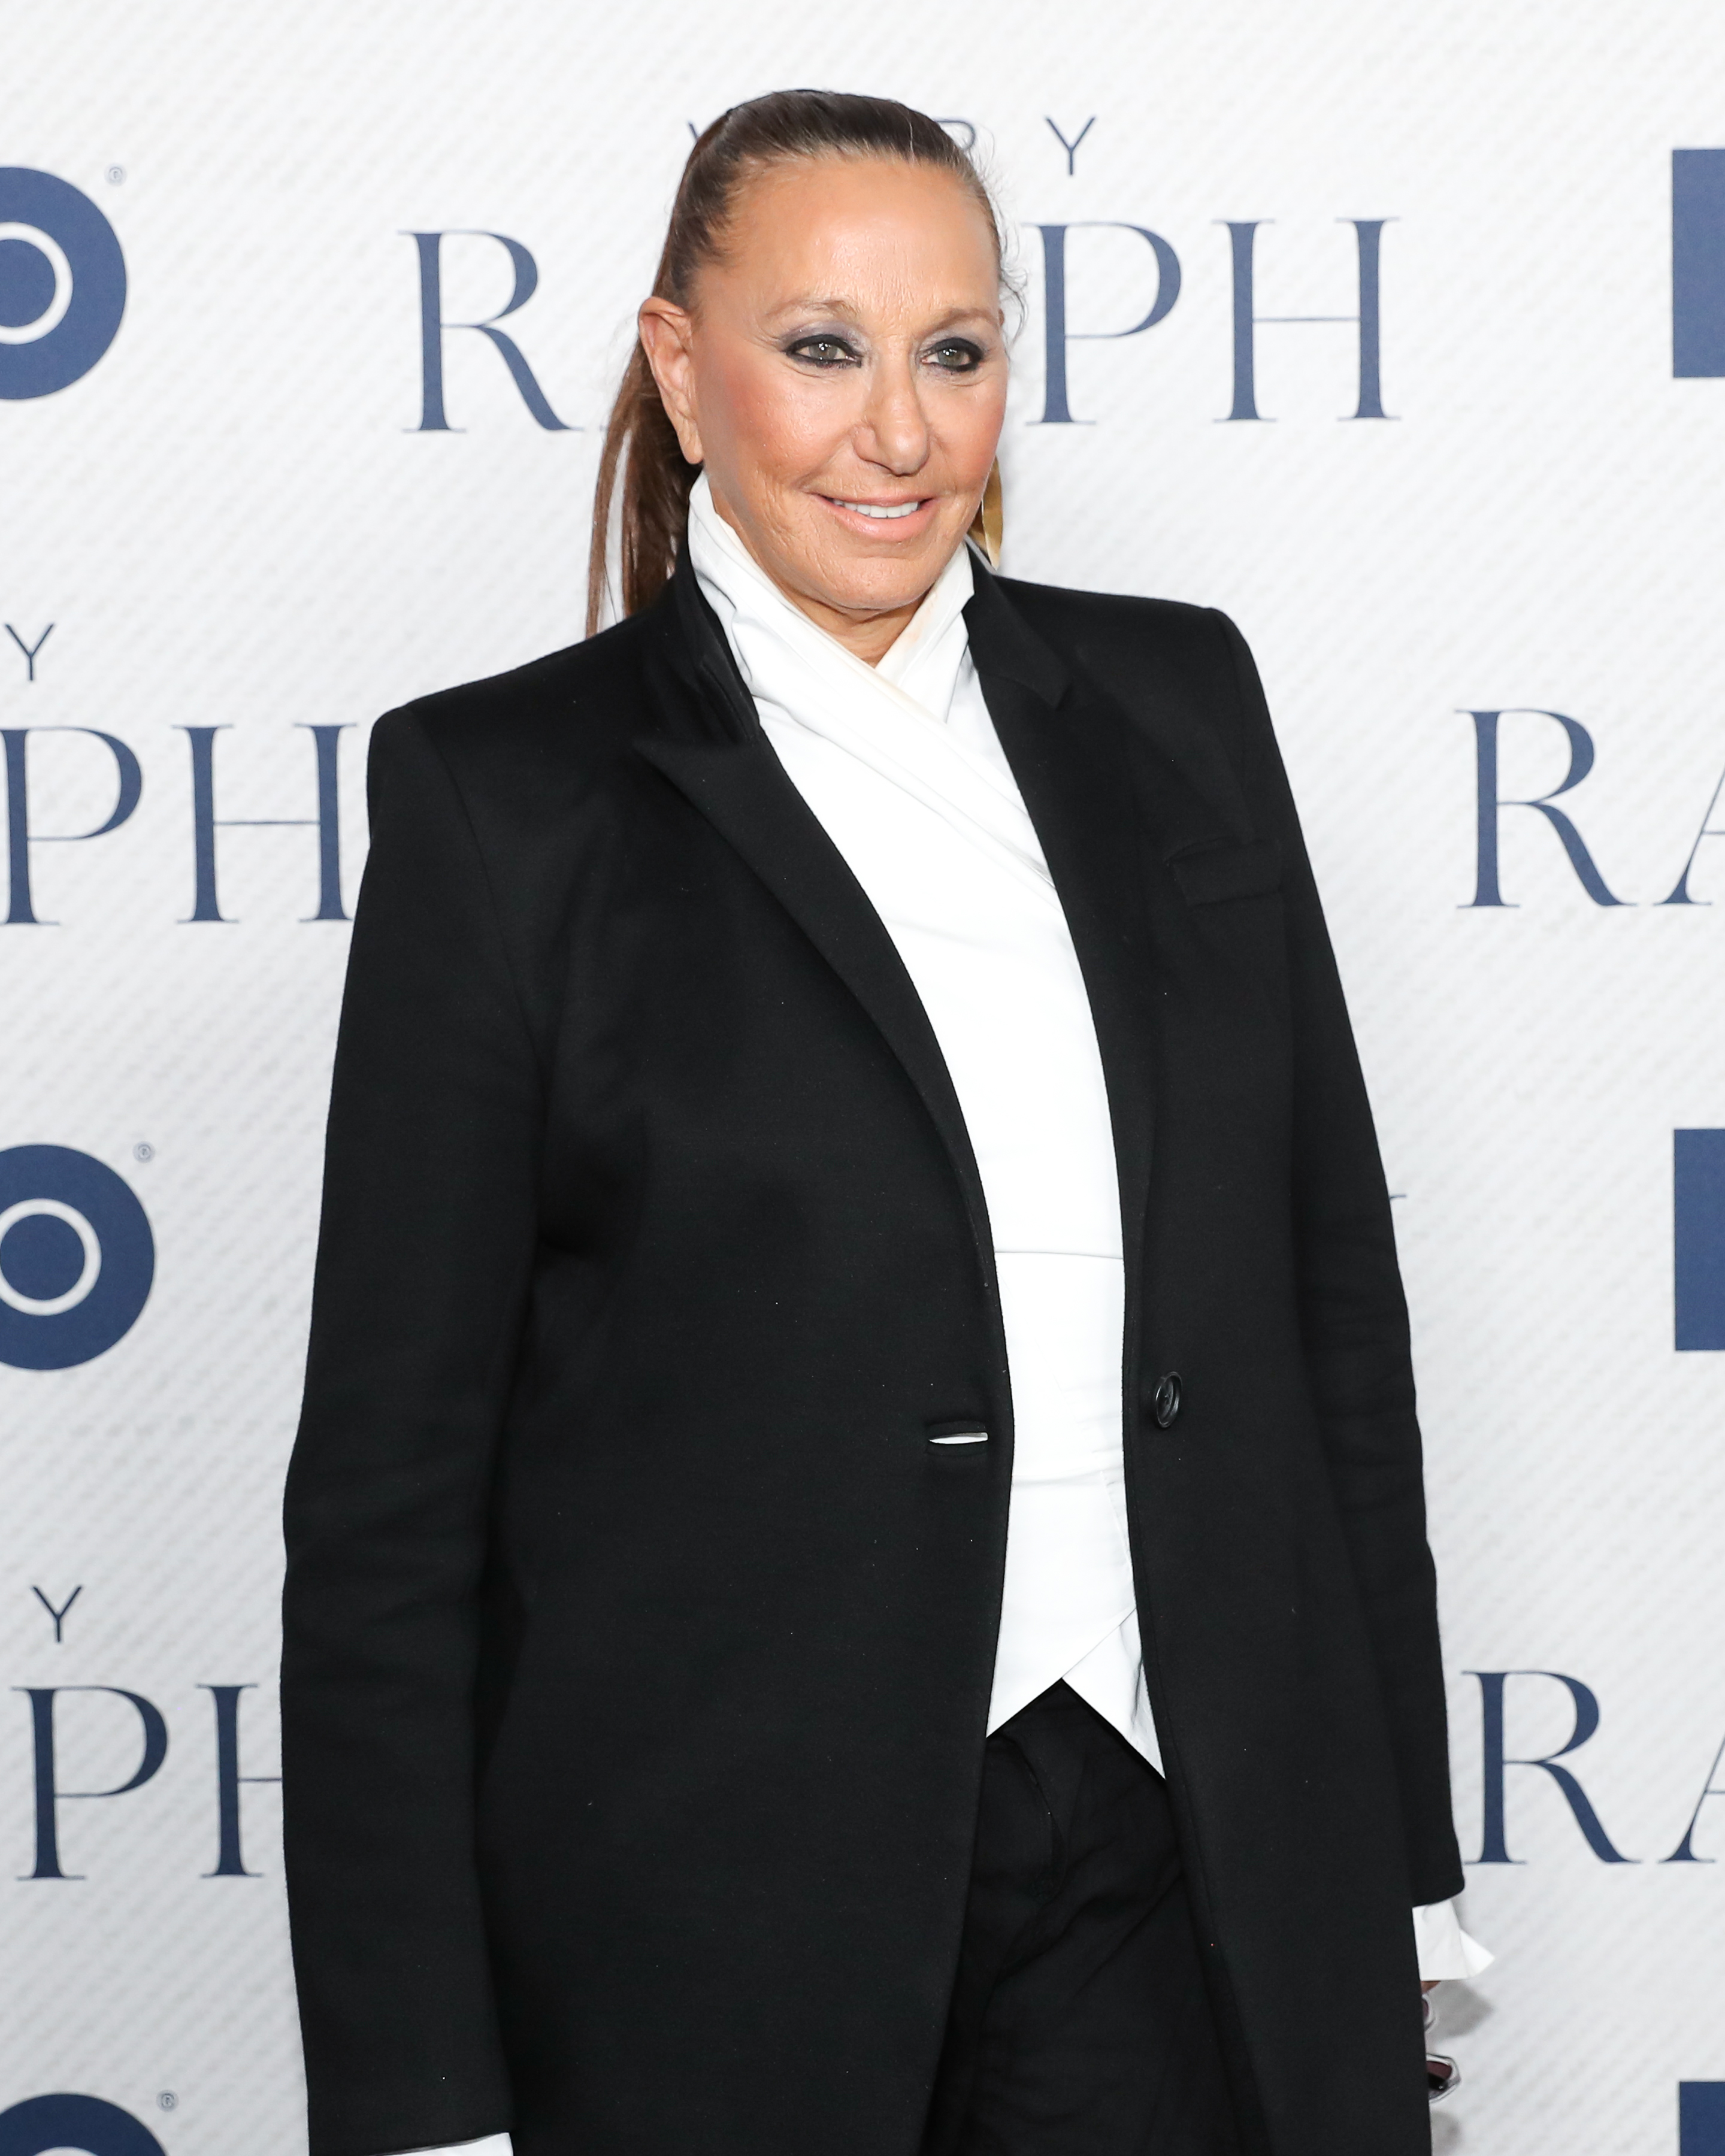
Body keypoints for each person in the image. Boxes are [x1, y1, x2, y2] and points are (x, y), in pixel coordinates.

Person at [280, 89, 1487, 2156]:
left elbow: (1326, 1321)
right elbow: (392, 1507)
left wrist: (1398, 1866)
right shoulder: (505, 803)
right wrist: (415, 2086)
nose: (902, 431)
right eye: (823, 347)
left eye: (957, 349)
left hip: (1182, 1860)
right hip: (714, 1915)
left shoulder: (1185, 708)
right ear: (683, 371)